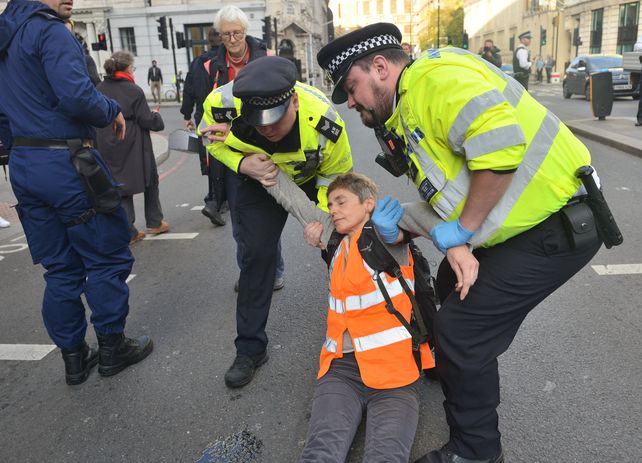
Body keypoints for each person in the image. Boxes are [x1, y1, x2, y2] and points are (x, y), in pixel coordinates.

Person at [317, 23, 607, 463]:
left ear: (379, 67)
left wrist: (463, 230)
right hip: (522, 226)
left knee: (461, 329)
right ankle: (455, 369)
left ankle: (476, 452)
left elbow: (500, 146)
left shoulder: (435, 80)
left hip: (557, 225)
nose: (352, 103)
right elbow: (447, 189)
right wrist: (420, 228)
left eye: (352, 89)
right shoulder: (404, 106)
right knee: (450, 283)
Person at [0, 0, 153, 386]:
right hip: (66, 164)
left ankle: (73, 358)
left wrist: (20, 146)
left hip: (24, 163)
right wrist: (110, 110)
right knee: (106, 258)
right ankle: (112, 349)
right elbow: (75, 94)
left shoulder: (5, 35)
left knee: (60, 267)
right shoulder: (50, 31)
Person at [199, 56, 353, 389]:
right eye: (259, 122)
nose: (267, 130)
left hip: (312, 178)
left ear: (294, 101)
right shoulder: (223, 102)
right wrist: (241, 164)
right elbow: (207, 137)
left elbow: (338, 179)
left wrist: (324, 219)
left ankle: (356, 328)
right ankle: (250, 349)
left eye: (275, 120)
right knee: (256, 255)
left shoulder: (325, 121)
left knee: (340, 244)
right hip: (259, 176)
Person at [264, 170, 437, 463]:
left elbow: (438, 212)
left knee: (385, 457)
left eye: (341, 202)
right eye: (330, 205)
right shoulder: (333, 236)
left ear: (368, 204)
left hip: (394, 373)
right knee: (319, 454)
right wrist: (254, 164)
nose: (333, 210)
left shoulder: (389, 230)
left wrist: (459, 247)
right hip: (341, 370)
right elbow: (293, 201)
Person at [195, 5, 286, 291]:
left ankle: (274, 271)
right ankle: (249, 272)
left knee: (268, 217)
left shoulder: (267, 58)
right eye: (226, 35)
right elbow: (204, 110)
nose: (232, 39)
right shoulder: (209, 66)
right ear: (219, 36)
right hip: (230, 154)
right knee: (240, 220)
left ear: (246, 32)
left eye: (237, 33)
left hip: (264, 146)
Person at [95, 51, 168, 244]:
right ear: (127, 68)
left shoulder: (99, 87)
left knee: (120, 185)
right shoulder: (133, 90)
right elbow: (145, 119)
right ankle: (155, 221)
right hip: (133, 142)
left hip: (107, 141)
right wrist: (157, 118)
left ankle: (129, 231)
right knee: (150, 179)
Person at [181, 27, 226, 226]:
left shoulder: (198, 62)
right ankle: (217, 201)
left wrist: (186, 114)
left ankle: (213, 196)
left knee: (210, 157)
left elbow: (188, 88)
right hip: (225, 116)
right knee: (228, 157)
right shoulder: (225, 61)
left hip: (203, 116)